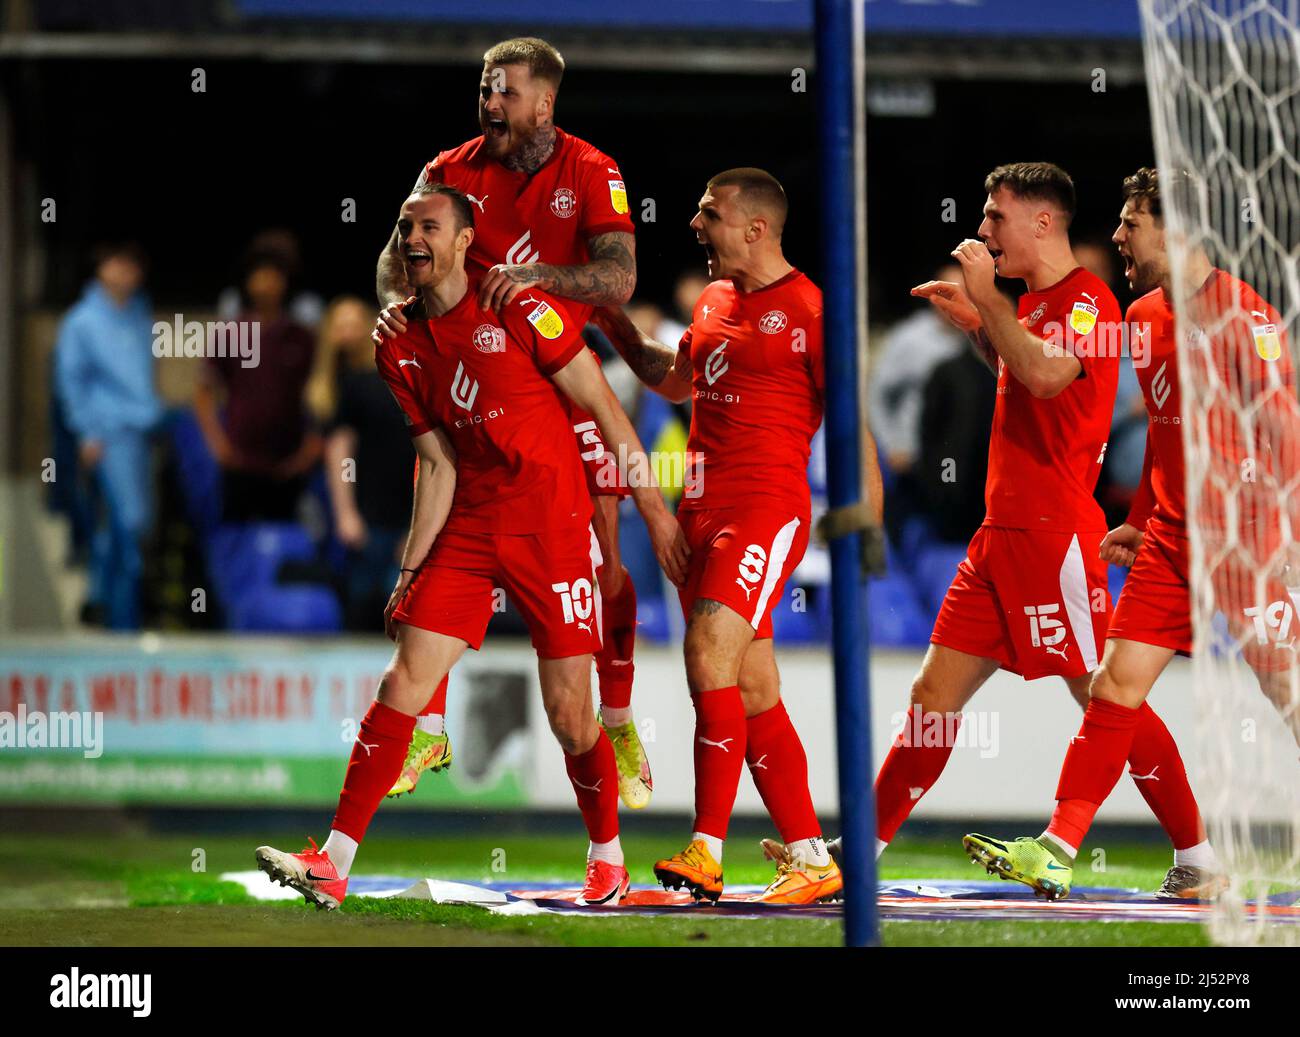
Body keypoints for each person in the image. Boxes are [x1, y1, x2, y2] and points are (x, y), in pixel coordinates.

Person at [255, 184, 686, 909]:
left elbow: (603, 406)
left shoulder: (517, 304)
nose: (412, 236)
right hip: (471, 520)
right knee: (403, 679)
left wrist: (653, 507)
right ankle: (332, 861)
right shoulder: (393, 339)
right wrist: (411, 567)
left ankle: (607, 860)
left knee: (568, 717)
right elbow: (438, 461)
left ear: (463, 242)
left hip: (550, 522)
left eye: (430, 225)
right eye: (403, 225)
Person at [830, 162, 1210, 897]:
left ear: (1042, 222)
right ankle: (861, 849)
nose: (982, 231)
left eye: (994, 217)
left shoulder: (1092, 302)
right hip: (998, 535)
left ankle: (1197, 855)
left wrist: (986, 303)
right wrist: (982, 326)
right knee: (932, 698)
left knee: (1109, 696)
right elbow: (1029, 372)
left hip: (1050, 535)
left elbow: (1043, 375)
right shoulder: (1038, 305)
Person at [964, 167, 1300, 900]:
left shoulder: (1248, 317)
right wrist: (1143, 517)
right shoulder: (1141, 316)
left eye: (1132, 222)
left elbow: (1287, 432)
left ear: (1175, 229)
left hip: (1249, 545)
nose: (1116, 235)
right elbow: (1162, 429)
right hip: (1174, 542)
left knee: (1290, 697)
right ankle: (1059, 846)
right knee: (1114, 687)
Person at [372, 37, 650, 808]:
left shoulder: (593, 170)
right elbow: (392, 263)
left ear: (545, 104)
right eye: (485, 91)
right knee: (436, 518)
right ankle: (425, 723)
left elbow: (619, 276)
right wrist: (404, 313)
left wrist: (533, 278)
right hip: (481, 379)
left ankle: (616, 715)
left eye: (506, 93)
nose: (490, 105)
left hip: (563, 375)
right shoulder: (446, 170)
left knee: (606, 557)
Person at [595, 168, 868, 904]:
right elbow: (675, 379)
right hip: (700, 513)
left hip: (764, 511)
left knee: (707, 652)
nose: (694, 223)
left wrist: (865, 511)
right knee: (752, 687)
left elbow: (852, 416)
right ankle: (812, 856)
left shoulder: (812, 309)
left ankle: (707, 849)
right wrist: (614, 324)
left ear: (755, 227)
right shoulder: (714, 301)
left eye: (709, 213)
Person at [53, 242, 163, 630]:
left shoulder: (138, 314)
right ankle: (115, 622)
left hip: (140, 434)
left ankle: (117, 616)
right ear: (100, 268)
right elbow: (71, 381)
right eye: (117, 262)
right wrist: (86, 433)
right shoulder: (82, 321)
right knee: (121, 529)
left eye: (133, 264)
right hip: (107, 435)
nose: (125, 272)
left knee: (134, 530)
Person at [310, 297, 416, 633]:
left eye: (355, 323)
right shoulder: (352, 387)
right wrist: (345, 513)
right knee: (363, 599)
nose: (349, 333)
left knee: (406, 604)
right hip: (370, 515)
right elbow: (339, 449)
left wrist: (422, 521)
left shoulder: (403, 376)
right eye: (341, 325)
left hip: (411, 510)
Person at [195, 247, 319, 522]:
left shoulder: (300, 336)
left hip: (287, 462)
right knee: (238, 540)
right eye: (260, 275)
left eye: (274, 276)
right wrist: (218, 446)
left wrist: (309, 448)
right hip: (239, 461)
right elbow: (203, 392)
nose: (267, 282)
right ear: (247, 282)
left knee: (283, 546)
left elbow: (321, 395)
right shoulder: (230, 332)